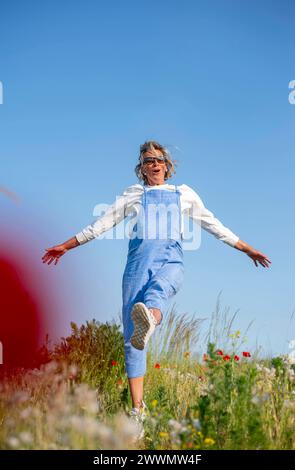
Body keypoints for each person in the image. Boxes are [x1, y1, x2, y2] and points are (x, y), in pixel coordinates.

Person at [42, 140, 271, 426]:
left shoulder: (183, 194)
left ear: (167, 165)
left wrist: (247, 249)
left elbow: (214, 225)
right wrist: (66, 246)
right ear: (142, 167)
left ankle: (150, 316)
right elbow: (100, 225)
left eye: (159, 159)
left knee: (162, 290)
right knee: (132, 342)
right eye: (148, 160)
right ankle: (138, 411)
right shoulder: (134, 195)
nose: (154, 163)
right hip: (137, 268)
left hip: (169, 261)